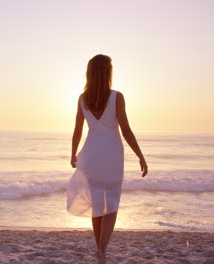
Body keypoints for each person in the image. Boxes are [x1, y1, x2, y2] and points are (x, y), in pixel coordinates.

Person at [67, 54, 148, 264]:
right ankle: (102, 250)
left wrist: (73, 153)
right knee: (111, 202)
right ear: (107, 73)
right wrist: (140, 155)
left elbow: (77, 130)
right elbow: (126, 130)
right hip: (111, 154)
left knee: (97, 204)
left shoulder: (82, 98)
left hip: (91, 154)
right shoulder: (116, 96)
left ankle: (99, 250)